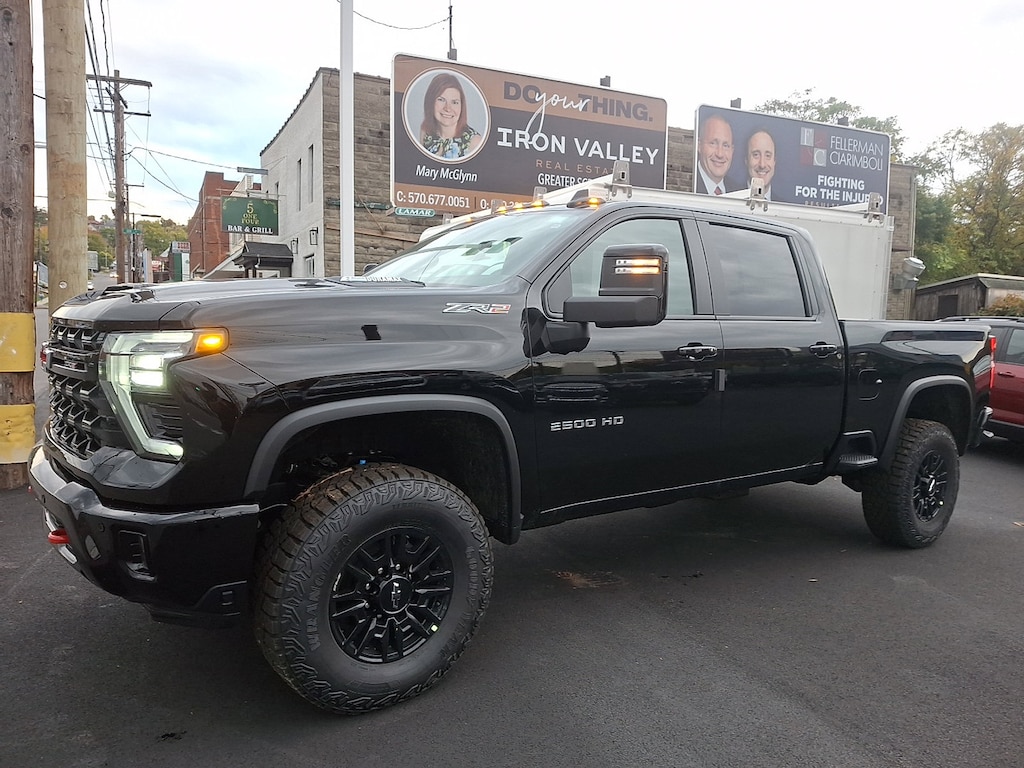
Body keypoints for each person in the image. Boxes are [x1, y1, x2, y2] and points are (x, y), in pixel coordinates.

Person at [419, 73, 484, 160]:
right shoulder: (426, 132)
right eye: (441, 100)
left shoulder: (475, 142)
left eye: (454, 102)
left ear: (462, 106)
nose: (448, 108)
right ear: (430, 101)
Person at [695, 114, 737, 195]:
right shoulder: (685, 186)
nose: (720, 154)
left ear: (732, 150)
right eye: (713, 143)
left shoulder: (739, 191)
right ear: (699, 146)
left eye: (725, 145)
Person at [742, 129, 776, 199]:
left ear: (774, 161)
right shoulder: (730, 197)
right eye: (756, 155)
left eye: (768, 156)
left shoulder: (785, 206)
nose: (762, 165)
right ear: (746, 160)